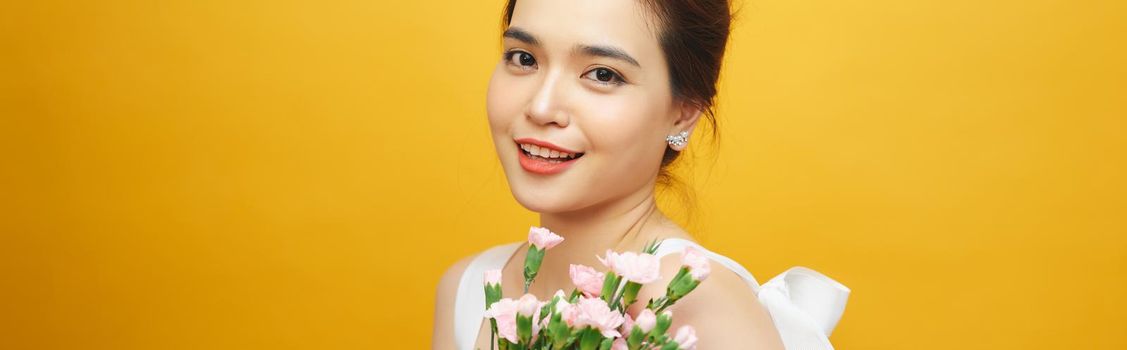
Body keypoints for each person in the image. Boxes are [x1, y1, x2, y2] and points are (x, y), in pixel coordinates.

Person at [433, 0, 850, 348]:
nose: (541, 108)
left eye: (602, 74)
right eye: (524, 59)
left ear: (683, 111)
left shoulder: (696, 308)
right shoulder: (468, 289)